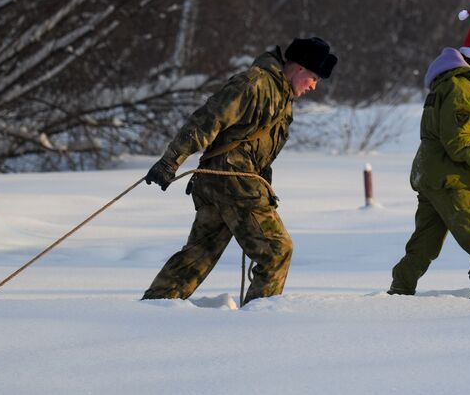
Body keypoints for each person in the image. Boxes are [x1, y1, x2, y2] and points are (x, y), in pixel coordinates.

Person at [141, 36, 337, 304]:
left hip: (224, 182)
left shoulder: (281, 94)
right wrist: (171, 160)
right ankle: (258, 327)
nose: (314, 86)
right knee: (277, 251)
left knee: (199, 254)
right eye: (314, 78)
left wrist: (262, 179)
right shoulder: (255, 83)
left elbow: (255, 143)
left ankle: (154, 308)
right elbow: (209, 118)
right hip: (232, 180)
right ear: (300, 68)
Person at [389, 8, 470, 296]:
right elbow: (459, 142)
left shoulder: (450, 83)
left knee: (424, 246)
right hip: (449, 179)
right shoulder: (461, 88)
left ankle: (398, 293)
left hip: (431, 175)